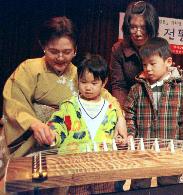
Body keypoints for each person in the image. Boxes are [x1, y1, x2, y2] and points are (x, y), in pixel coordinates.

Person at [2, 16, 124, 159]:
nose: (60, 57)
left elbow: (107, 98)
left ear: (75, 50)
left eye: (67, 52)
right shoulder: (29, 69)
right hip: (32, 142)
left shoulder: (79, 74)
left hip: (67, 147)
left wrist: (120, 118)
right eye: (54, 51)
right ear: (44, 47)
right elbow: (14, 103)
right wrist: (35, 124)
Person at [47, 53, 127, 194]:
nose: (88, 87)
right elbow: (58, 124)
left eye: (94, 83)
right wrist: (52, 133)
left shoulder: (111, 109)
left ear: (104, 82)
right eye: (83, 82)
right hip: (76, 168)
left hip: (104, 168)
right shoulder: (69, 106)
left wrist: (119, 139)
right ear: (77, 80)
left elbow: (116, 134)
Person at [124, 37, 183, 189]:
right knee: (139, 185)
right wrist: (130, 133)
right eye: (144, 64)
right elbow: (129, 114)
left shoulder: (182, 89)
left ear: (168, 62)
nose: (147, 68)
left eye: (152, 63)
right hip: (142, 150)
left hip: (170, 150)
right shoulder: (137, 89)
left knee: (169, 185)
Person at [109, 1, 159, 107]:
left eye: (143, 27)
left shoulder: (160, 48)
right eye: (133, 27)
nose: (138, 33)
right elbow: (119, 86)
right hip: (126, 105)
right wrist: (124, 113)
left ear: (151, 27)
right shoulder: (118, 49)